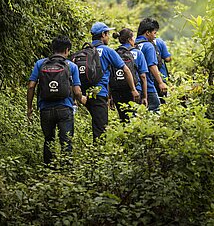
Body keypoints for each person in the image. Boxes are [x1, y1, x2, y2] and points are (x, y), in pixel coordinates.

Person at [27, 36, 86, 165]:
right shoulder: (72, 66)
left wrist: (30, 107)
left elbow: (31, 86)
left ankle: (48, 168)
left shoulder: (40, 63)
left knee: (48, 139)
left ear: (53, 49)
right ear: (66, 50)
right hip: (65, 108)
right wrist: (82, 99)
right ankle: (66, 169)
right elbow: (76, 91)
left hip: (45, 109)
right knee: (66, 140)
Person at [85, 22, 140, 141]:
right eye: (107, 34)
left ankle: (93, 152)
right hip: (100, 93)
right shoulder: (107, 51)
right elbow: (125, 69)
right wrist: (133, 89)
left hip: (86, 95)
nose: (109, 37)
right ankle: (98, 154)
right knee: (101, 129)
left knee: (95, 124)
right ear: (103, 35)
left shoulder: (86, 51)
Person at [110, 28, 148, 122]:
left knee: (123, 119)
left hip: (117, 91)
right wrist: (144, 97)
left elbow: (109, 75)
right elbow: (143, 76)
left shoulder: (114, 53)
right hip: (134, 91)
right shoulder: (138, 53)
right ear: (130, 39)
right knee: (134, 119)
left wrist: (109, 96)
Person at [135, 18, 167, 112]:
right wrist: (161, 82)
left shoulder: (133, 44)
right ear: (147, 33)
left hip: (135, 86)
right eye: (154, 33)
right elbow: (152, 66)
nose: (155, 36)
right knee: (155, 109)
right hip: (147, 86)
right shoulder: (149, 46)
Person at [154, 36, 172, 103]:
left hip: (147, 79)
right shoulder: (159, 41)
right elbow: (167, 58)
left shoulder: (139, 43)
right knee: (162, 101)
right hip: (161, 76)